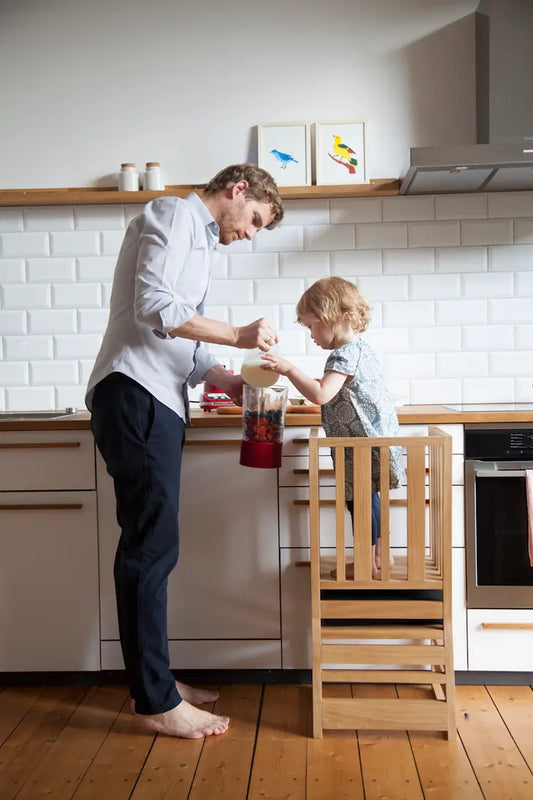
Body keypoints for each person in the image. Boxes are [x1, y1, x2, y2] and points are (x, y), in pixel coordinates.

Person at [85, 163, 283, 739]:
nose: (250, 233)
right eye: (254, 220)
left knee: (157, 547)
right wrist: (239, 335)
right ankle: (154, 701)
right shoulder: (173, 214)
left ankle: (158, 683)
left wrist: (235, 380)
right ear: (237, 189)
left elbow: (181, 346)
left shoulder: (200, 244)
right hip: (136, 396)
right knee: (150, 548)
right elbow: (154, 308)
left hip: (156, 397)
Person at [261, 276, 404, 578]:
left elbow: (321, 393)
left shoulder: (343, 354)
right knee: (369, 499)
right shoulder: (361, 350)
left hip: (362, 445)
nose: (310, 333)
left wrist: (288, 369)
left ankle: (370, 560)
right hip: (370, 442)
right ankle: (380, 558)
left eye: (310, 325)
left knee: (361, 502)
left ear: (330, 316)